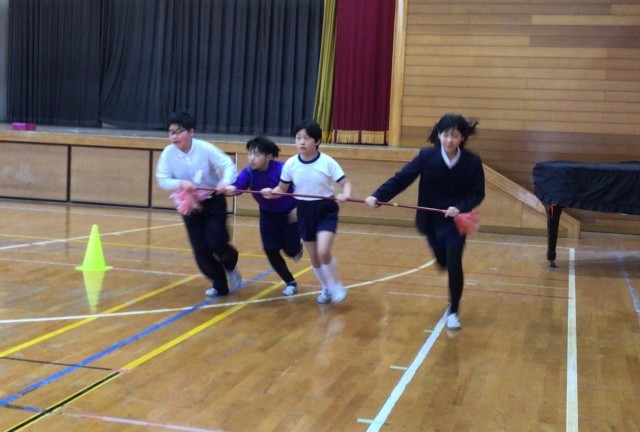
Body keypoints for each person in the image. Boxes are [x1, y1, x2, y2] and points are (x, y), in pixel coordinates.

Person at [365, 113, 485, 330]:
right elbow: (401, 179)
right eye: (446, 135)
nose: (450, 140)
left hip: (455, 221)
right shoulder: (426, 157)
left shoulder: (472, 161)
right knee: (443, 262)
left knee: (454, 263)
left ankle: (454, 311)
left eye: (455, 136)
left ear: (462, 138)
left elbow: (477, 193)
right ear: (438, 135)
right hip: (430, 220)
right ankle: (444, 265)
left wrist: (460, 207)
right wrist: (378, 196)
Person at [261, 120, 352, 304]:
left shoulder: (327, 162)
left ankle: (335, 285)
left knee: (323, 251)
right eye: (298, 138)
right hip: (304, 210)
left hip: (325, 210)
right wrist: (271, 193)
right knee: (315, 258)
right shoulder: (291, 164)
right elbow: (282, 188)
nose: (302, 142)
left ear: (317, 141)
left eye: (307, 138)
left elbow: (346, 183)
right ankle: (326, 288)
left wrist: (345, 194)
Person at [156, 110, 242, 297]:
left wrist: (225, 182)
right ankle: (219, 284)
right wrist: (181, 183)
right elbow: (162, 179)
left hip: (212, 202)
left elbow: (227, 165)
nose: (174, 136)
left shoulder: (205, 148)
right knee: (200, 250)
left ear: (191, 132)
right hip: (189, 205)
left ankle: (230, 266)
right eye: (171, 132)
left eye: (179, 132)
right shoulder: (168, 154)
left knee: (217, 242)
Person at [226, 136, 303, 296]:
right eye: (250, 154)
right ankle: (290, 282)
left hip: (289, 214)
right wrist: (228, 189)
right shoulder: (249, 172)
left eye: (257, 154)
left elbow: (301, 188)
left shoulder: (283, 169)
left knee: (291, 251)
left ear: (268, 156)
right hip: (267, 215)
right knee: (270, 250)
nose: (252, 158)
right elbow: (237, 188)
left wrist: (298, 209)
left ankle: (298, 246)